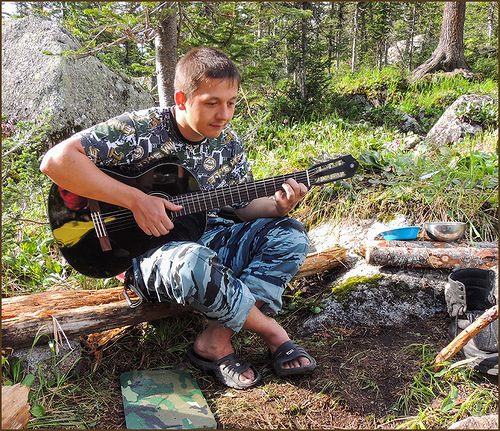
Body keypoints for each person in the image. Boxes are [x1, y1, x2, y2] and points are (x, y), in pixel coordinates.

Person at [40, 47, 316, 389]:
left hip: (206, 237)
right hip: (141, 254)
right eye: (212, 103)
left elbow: (241, 207)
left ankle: (214, 340)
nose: (225, 114)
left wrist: (277, 207)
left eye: (231, 103)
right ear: (183, 98)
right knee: (193, 262)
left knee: (290, 234)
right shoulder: (142, 129)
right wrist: (137, 200)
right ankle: (272, 332)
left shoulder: (228, 144)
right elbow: (56, 162)